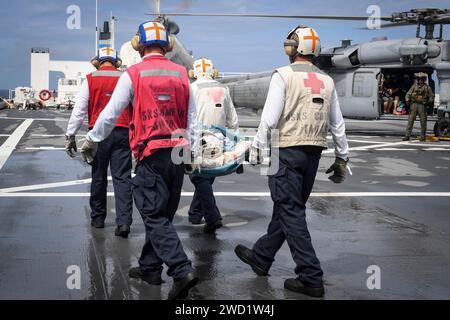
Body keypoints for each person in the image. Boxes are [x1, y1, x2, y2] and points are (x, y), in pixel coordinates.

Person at [79, 21, 199, 300]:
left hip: (151, 152)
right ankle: (150, 267)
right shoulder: (182, 73)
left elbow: (111, 114)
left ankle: (181, 270)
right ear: (168, 45)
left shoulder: (134, 73)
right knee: (165, 214)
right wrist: (192, 153)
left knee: (153, 215)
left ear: (140, 45)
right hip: (179, 151)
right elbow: (192, 119)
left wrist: (92, 140)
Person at [234, 25, 349, 298]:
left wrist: (256, 147)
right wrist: (343, 156)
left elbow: (270, 119)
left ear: (292, 49)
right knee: (288, 209)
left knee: (291, 212)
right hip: (314, 153)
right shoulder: (327, 80)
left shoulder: (282, 76)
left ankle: (311, 277)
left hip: (286, 150)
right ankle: (261, 257)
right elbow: (337, 123)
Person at [65, 47, 133, 238]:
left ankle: (98, 219)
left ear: (98, 61)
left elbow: (79, 110)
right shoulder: (125, 77)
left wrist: (70, 135)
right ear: (115, 61)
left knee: (99, 176)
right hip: (122, 131)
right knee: (122, 178)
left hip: (98, 133)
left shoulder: (91, 78)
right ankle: (124, 222)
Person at [187, 57, 239, 233]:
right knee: (207, 178)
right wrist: (234, 145)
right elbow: (233, 119)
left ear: (194, 73)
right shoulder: (224, 88)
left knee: (199, 177)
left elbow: (187, 117)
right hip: (219, 140)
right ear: (213, 72)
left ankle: (212, 217)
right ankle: (194, 214)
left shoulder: (192, 88)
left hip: (199, 139)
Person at [402, 72, 434, 141]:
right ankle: (407, 135)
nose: (420, 80)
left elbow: (431, 96)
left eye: (422, 79)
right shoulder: (414, 86)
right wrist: (407, 101)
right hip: (414, 105)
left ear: (424, 79)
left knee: (423, 121)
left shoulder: (427, 87)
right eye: (419, 79)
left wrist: (428, 102)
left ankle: (423, 136)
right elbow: (408, 94)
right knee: (410, 121)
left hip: (422, 105)